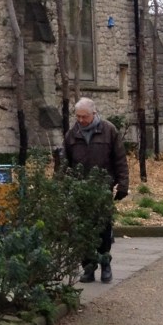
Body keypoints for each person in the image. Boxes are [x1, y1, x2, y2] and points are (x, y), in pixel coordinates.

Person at [63, 97, 129, 282]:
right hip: (79, 189)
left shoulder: (109, 130)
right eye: (78, 117)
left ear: (94, 113)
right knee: (82, 230)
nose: (81, 120)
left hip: (102, 188)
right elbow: (63, 163)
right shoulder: (71, 134)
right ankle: (88, 267)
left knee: (103, 229)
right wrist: (61, 186)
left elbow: (120, 160)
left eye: (85, 116)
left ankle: (105, 264)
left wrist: (123, 184)